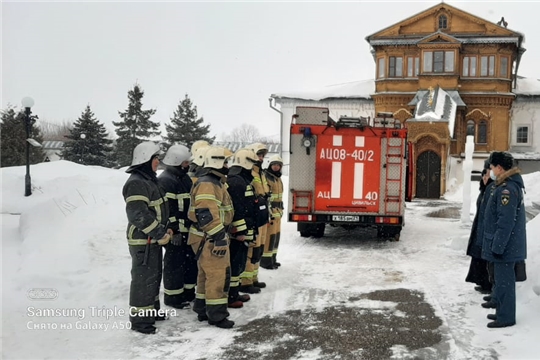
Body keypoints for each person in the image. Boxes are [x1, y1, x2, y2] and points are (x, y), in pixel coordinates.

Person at [122, 142, 172, 334]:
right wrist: (159, 233)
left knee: (153, 276)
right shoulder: (137, 182)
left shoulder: (149, 180)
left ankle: (151, 312)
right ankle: (140, 322)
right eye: (155, 158)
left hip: (153, 239)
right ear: (145, 159)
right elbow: (138, 214)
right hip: (144, 240)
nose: (158, 162)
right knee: (143, 280)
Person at [187, 146, 235, 328]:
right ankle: (217, 315)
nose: (227, 165)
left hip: (205, 237)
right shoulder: (209, 183)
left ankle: (202, 309)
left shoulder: (215, 182)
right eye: (225, 161)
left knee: (205, 275)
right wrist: (219, 237)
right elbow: (206, 213)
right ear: (216, 162)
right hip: (209, 237)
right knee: (217, 276)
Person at [481, 151, 527, 328]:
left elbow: (505, 222)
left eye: (492, 167)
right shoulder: (505, 185)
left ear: (499, 168)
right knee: (501, 282)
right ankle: (501, 312)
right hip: (505, 246)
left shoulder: (507, 189)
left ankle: (506, 317)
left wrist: (498, 246)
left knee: (505, 284)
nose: (491, 171)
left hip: (506, 247)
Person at [158, 144, 196, 308]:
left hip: (188, 230)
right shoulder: (166, 180)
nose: (188, 165)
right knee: (174, 265)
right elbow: (168, 208)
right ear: (178, 161)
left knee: (189, 263)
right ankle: (173, 298)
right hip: (176, 232)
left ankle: (187, 293)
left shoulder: (184, 178)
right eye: (186, 162)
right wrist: (174, 230)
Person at [226, 148, 259, 308]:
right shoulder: (237, 181)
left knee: (239, 263)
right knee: (235, 262)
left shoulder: (241, 179)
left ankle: (234, 292)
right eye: (252, 163)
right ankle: (230, 296)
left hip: (244, 228)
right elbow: (237, 209)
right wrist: (240, 231)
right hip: (238, 233)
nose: (253, 167)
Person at [239, 143, 270, 294]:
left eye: (263, 155)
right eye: (259, 155)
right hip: (254, 214)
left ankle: (254, 278)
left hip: (262, 213)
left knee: (259, 248)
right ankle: (245, 282)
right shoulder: (249, 172)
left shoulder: (261, 173)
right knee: (251, 248)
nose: (261, 158)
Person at [465, 161, 494, 294]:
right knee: (478, 256)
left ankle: (487, 284)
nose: (484, 178)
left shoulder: (492, 190)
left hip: (485, 228)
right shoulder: (484, 190)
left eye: (487, 175)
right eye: (483, 175)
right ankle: (481, 281)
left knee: (484, 257)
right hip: (480, 226)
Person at [260, 154, 285, 270]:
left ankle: (273, 259)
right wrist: (268, 212)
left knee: (276, 237)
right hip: (271, 213)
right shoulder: (266, 177)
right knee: (269, 238)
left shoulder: (277, 178)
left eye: (278, 165)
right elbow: (266, 196)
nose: (276, 167)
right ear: (270, 165)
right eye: (274, 165)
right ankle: (265, 261)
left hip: (278, 212)